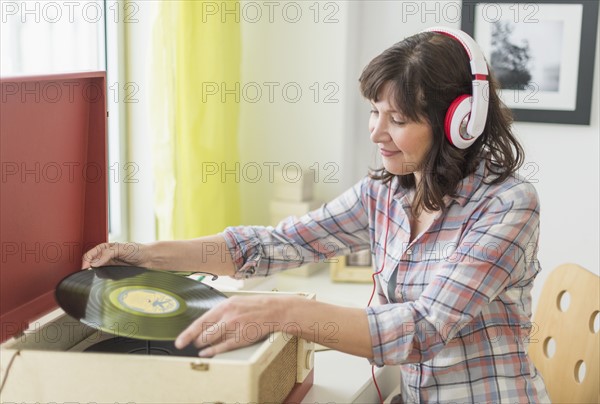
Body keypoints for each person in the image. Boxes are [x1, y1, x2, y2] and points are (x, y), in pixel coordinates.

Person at [82, 27, 550, 403]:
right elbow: (275, 244)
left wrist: (284, 311)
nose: (377, 132)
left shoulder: (507, 205)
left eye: (399, 120)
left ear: (460, 123)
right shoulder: (385, 193)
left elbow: (424, 330)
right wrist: (148, 253)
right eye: (374, 112)